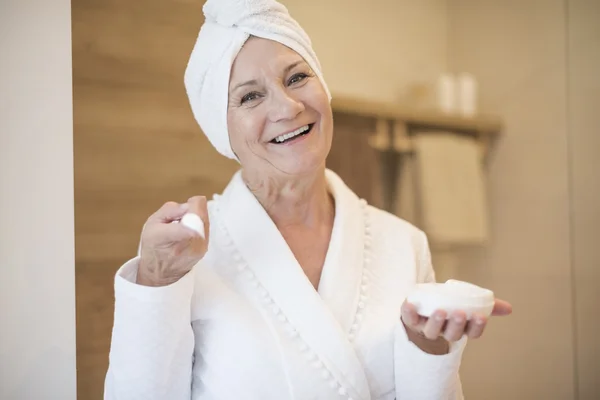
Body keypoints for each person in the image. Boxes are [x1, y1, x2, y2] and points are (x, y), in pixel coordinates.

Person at [103, 0, 512, 399]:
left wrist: (428, 347)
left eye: (297, 77)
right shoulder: (187, 259)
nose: (288, 105)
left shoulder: (403, 243)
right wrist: (156, 284)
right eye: (250, 97)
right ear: (220, 129)